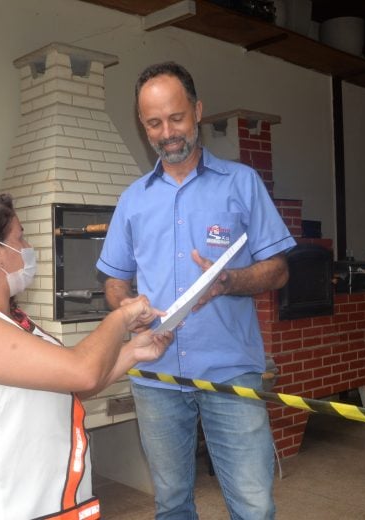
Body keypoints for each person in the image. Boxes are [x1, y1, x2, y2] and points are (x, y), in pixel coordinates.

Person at [96, 62, 296, 519]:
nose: (167, 132)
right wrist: (128, 308)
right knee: (171, 504)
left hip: (230, 372)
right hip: (155, 374)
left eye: (177, 117)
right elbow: (113, 280)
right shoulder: (133, 199)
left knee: (253, 503)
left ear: (198, 111)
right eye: (154, 122)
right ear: (142, 125)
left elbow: (279, 270)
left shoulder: (242, 183)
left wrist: (230, 281)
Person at [0, 194, 172, 520]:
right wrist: (121, 317)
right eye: (19, 236)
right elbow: (82, 371)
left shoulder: (10, 322)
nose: (27, 246)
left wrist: (133, 351)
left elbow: (70, 387)